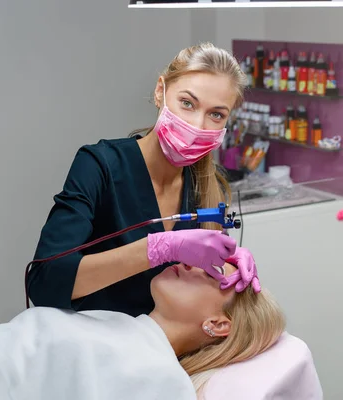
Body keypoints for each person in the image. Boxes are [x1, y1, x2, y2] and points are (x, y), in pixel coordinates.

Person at [27, 42, 260, 314]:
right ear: (160, 92)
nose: (197, 127)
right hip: (94, 345)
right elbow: (44, 282)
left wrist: (228, 264)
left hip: (161, 347)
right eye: (187, 103)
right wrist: (158, 249)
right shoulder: (100, 166)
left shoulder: (207, 186)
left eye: (216, 114)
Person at [0, 262, 285, 400]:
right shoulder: (120, 321)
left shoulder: (163, 381)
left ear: (217, 323)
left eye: (212, 272)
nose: (193, 263)